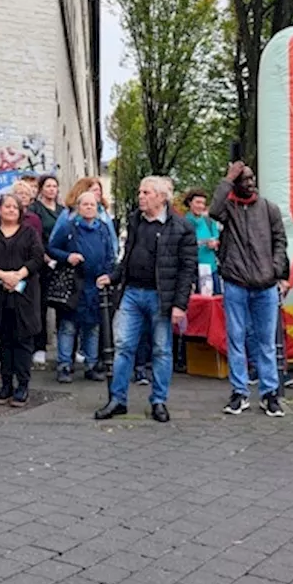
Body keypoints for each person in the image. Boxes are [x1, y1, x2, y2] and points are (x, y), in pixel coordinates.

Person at [95, 176, 196, 423]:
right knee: (123, 346)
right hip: (132, 292)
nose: (141, 196)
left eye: (146, 192)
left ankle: (159, 401)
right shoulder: (135, 220)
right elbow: (127, 256)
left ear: (162, 197)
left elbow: (187, 269)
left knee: (161, 350)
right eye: (140, 192)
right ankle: (117, 400)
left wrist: (180, 305)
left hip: (161, 297)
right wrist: (114, 277)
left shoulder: (182, 227)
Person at [211, 163, 289, 417]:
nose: (251, 183)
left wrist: (276, 269)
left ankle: (269, 394)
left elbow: (280, 241)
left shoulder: (269, 209)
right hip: (236, 283)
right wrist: (228, 178)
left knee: (266, 342)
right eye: (244, 179)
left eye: (252, 178)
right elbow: (214, 210)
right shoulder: (229, 209)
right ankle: (239, 392)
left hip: (265, 285)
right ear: (235, 183)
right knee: (236, 339)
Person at [0, 193, 46, 406]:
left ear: (20, 212)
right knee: (4, 342)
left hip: (24, 295)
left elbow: (37, 258)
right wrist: (3, 275)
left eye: (14, 208)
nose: (9, 210)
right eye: (6, 206)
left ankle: (22, 386)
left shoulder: (29, 233)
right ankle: (6, 385)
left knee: (23, 341)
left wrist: (18, 275)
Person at [48, 191, 113, 384]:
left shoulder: (103, 229)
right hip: (74, 285)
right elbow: (51, 248)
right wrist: (67, 257)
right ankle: (64, 365)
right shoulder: (69, 227)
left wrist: (108, 273)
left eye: (92, 205)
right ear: (78, 207)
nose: (89, 208)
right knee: (68, 326)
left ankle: (91, 365)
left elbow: (110, 253)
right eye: (85, 205)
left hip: (95, 285)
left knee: (92, 327)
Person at [30, 175, 63, 367]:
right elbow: (36, 237)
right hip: (43, 262)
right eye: (48, 186)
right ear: (41, 188)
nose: (52, 189)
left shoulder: (62, 211)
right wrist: (45, 257)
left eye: (54, 186)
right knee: (40, 306)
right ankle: (39, 347)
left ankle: (65, 350)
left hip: (61, 262)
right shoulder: (36, 209)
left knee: (61, 304)